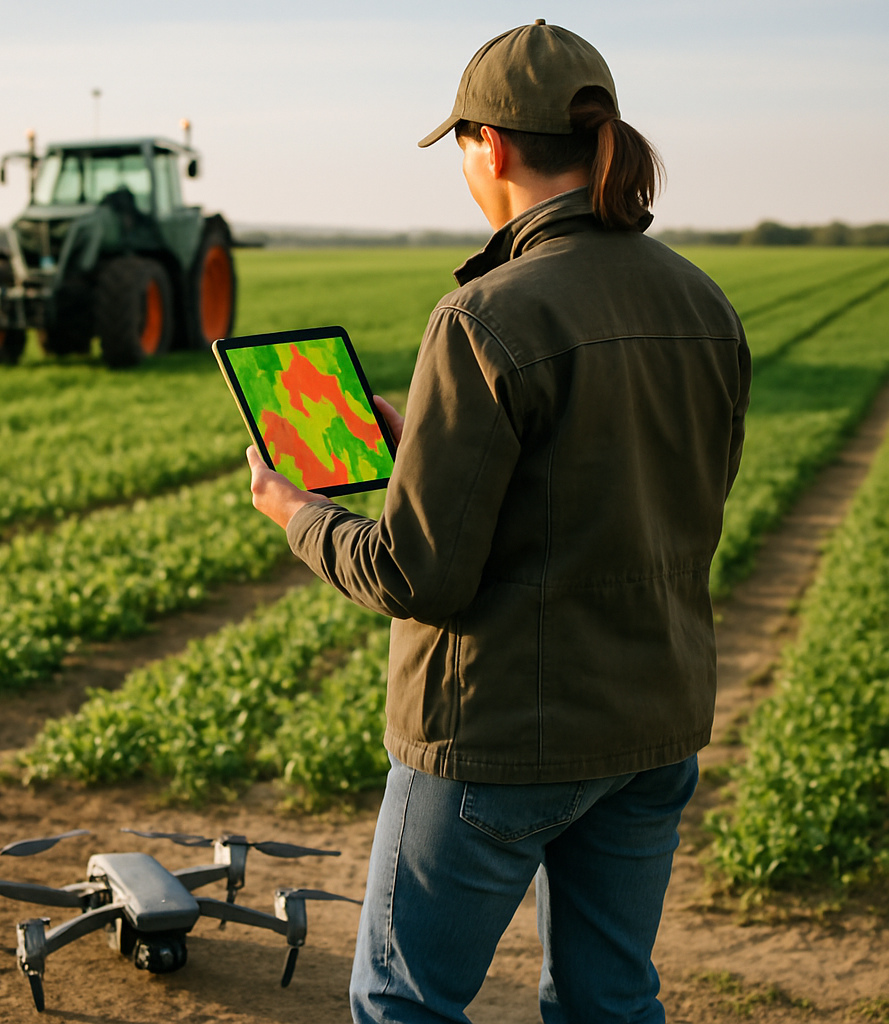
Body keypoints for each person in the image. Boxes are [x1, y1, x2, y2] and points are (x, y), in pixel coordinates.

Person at [246, 21, 751, 1024]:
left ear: (494, 146)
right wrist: (426, 443)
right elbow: (660, 490)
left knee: (406, 1000)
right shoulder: (703, 303)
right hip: (652, 721)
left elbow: (414, 573)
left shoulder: (485, 315)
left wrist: (296, 512)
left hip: (496, 737)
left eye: (464, 145)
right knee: (610, 999)